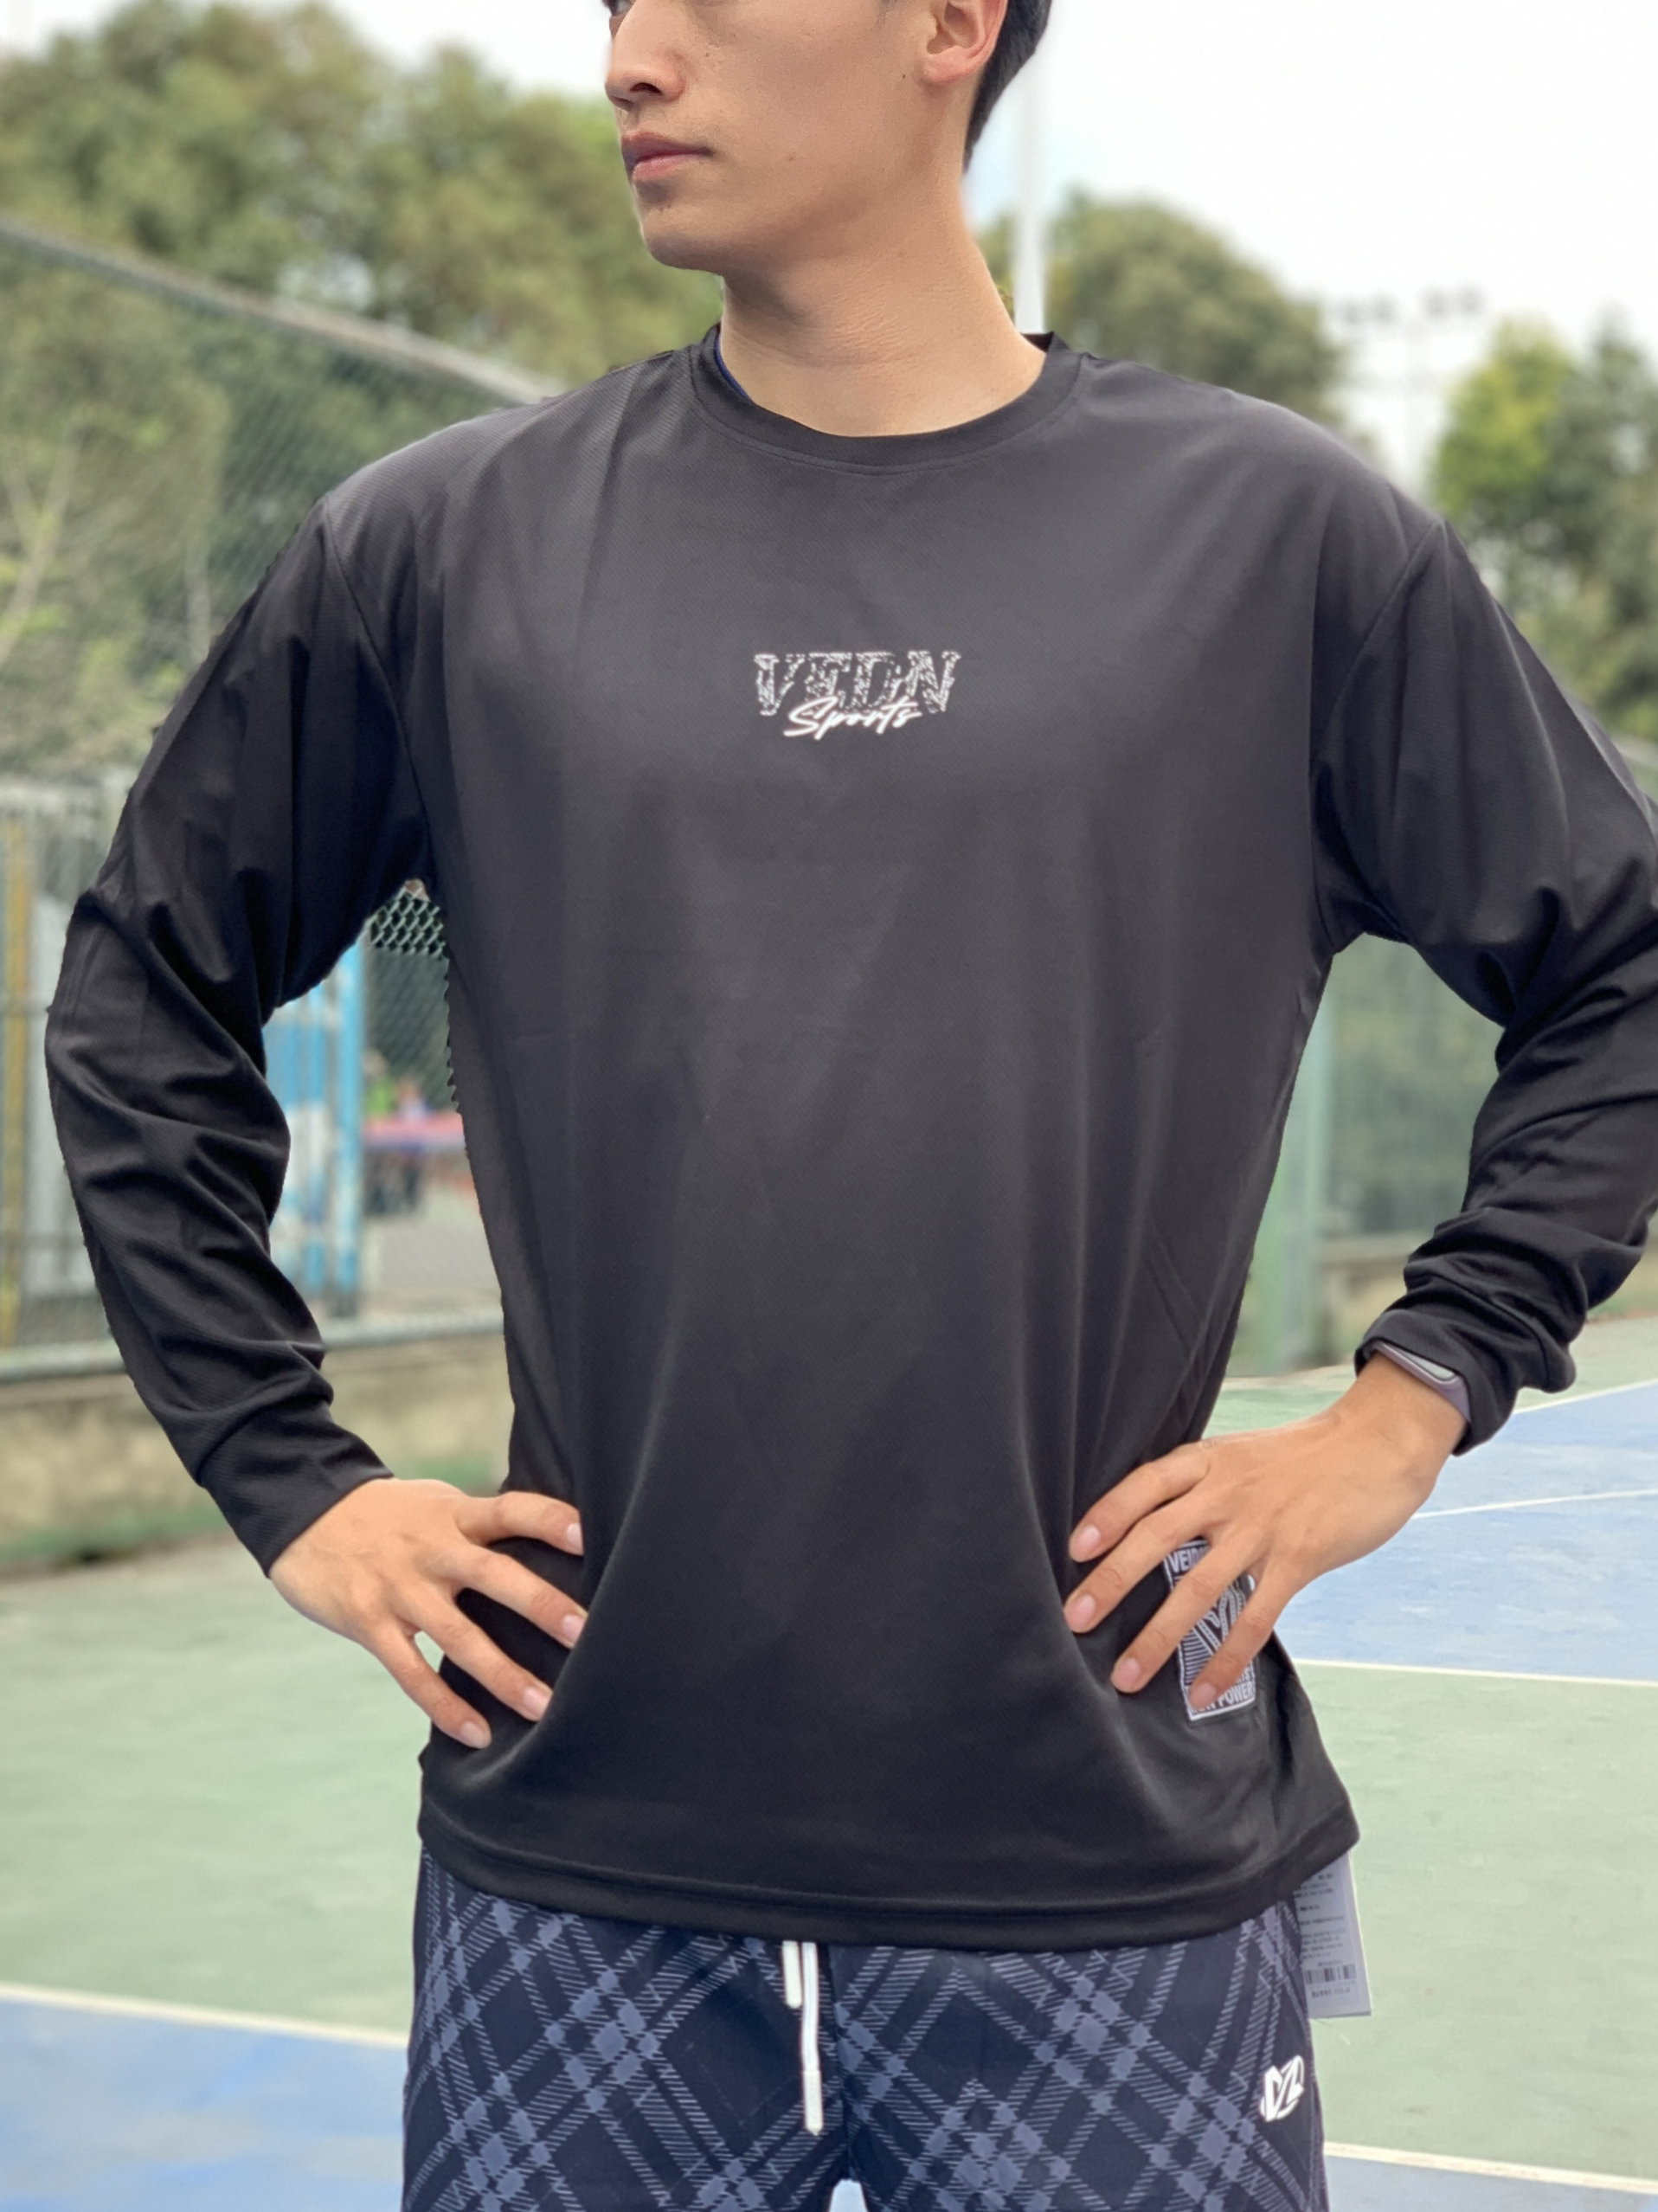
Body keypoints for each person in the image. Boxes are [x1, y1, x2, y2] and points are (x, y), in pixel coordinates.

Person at [44, 0, 1658, 2205]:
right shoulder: (441, 548)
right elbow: (144, 989)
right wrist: (288, 1472)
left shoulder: (1277, 544)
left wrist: (1416, 1394)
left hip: (1104, 1881)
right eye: (613, 4)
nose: (630, 60)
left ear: (946, 24)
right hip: (580, 1873)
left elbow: (1618, 969)